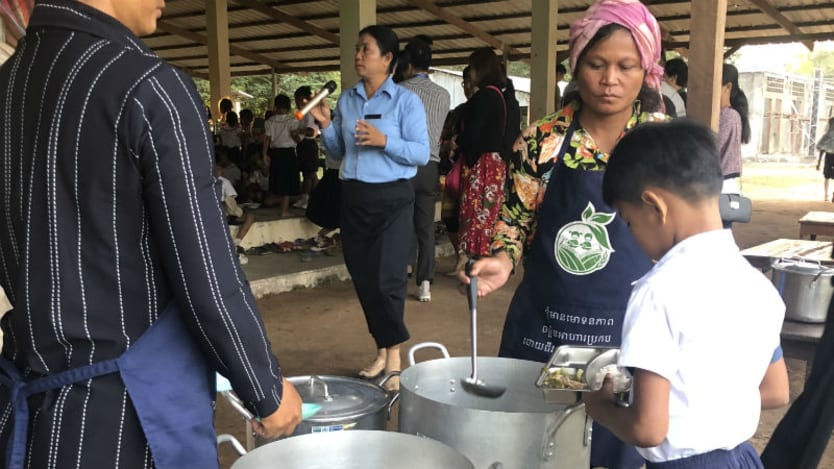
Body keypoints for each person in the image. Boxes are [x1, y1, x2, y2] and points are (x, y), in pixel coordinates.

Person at [0, 1, 302, 468]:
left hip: (30, 415)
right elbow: (205, 269)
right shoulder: (148, 86)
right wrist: (264, 387)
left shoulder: (9, 84)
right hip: (130, 416)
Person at [462, 1, 668, 467]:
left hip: (629, 333)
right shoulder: (542, 140)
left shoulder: (661, 143)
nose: (609, 79)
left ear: (646, 69)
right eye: (596, 64)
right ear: (576, 65)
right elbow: (514, 220)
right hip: (547, 330)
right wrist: (502, 259)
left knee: (616, 443)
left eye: (625, 66)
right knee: (539, 444)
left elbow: (683, 234)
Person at [584, 119, 788, 469]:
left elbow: (648, 429)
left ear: (654, 206)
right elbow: (775, 391)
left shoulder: (657, 292)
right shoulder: (759, 286)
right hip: (742, 460)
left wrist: (597, 405)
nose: (632, 235)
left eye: (630, 222)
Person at [309, 25, 429, 391]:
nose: (358, 56)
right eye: (357, 49)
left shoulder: (405, 101)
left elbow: (421, 153)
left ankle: (395, 358)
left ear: (388, 59)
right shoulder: (347, 100)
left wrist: (384, 140)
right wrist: (327, 126)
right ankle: (382, 349)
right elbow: (338, 152)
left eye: (366, 49)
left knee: (388, 278)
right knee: (364, 278)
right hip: (354, 197)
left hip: (392, 198)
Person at [397, 37, 451, 302]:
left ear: (408, 65)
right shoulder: (444, 94)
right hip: (430, 166)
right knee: (425, 226)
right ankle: (425, 283)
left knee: (401, 222)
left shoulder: (399, 91)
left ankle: (401, 272)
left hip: (404, 165)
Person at [455, 47, 514, 264]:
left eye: (472, 68)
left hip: (482, 165)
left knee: (475, 214)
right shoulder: (499, 95)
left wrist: (457, 142)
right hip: (495, 164)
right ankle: (483, 259)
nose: (470, 73)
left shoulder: (483, 97)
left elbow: (473, 133)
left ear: (480, 69)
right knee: (488, 215)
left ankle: (474, 264)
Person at [439, 66, 476, 276]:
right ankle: (460, 255)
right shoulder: (458, 111)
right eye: (465, 83)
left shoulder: (485, 109)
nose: (468, 87)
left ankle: (470, 259)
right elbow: (444, 137)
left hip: (473, 172)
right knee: (450, 216)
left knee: (469, 217)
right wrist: (448, 144)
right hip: (453, 171)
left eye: (471, 82)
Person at [719, 63, 750, 227]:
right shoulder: (726, 114)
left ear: (727, 87)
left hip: (721, 189)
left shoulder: (728, 115)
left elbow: (712, 149)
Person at [263, 94, 304, 217]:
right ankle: (284, 210)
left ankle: (278, 205)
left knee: (278, 180)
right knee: (287, 182)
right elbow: (297, 139)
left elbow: (267, 139)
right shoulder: (292, 120)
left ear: (275, 107)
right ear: (289, 107)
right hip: (288, 153)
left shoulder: (269, 121)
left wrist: (264, 154)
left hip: (275, 153)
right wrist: (297, 135)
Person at [217, 163, 255, 265]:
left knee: (250, 217)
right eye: (216, 169)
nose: (218, 171)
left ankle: (236, 243)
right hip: (216, 215)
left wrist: (226, 203)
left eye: (220, 169)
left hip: (228, 213)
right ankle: (230, 250)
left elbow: (231, 198)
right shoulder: (206, 182)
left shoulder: (224, 181)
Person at [293, 86, 321, 210]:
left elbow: (311, 131)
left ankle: (307, 197)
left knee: (309, 173)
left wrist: (299, 131)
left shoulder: (310, 112)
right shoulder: (302, 113)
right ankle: (311, 197)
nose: (296, 102)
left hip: (309, 144)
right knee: (307, 173)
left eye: (298, 99)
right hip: (302, 144)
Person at [816, 117, 834, 201]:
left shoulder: (827, 137)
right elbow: (822, 149)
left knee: (827, 175)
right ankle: (826, 195)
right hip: (829, 156)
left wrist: (819, 163)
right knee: (826, 175)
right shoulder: (827, 137)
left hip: (829, 156)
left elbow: (821, 149)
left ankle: (826, 195)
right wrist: (819, 163)